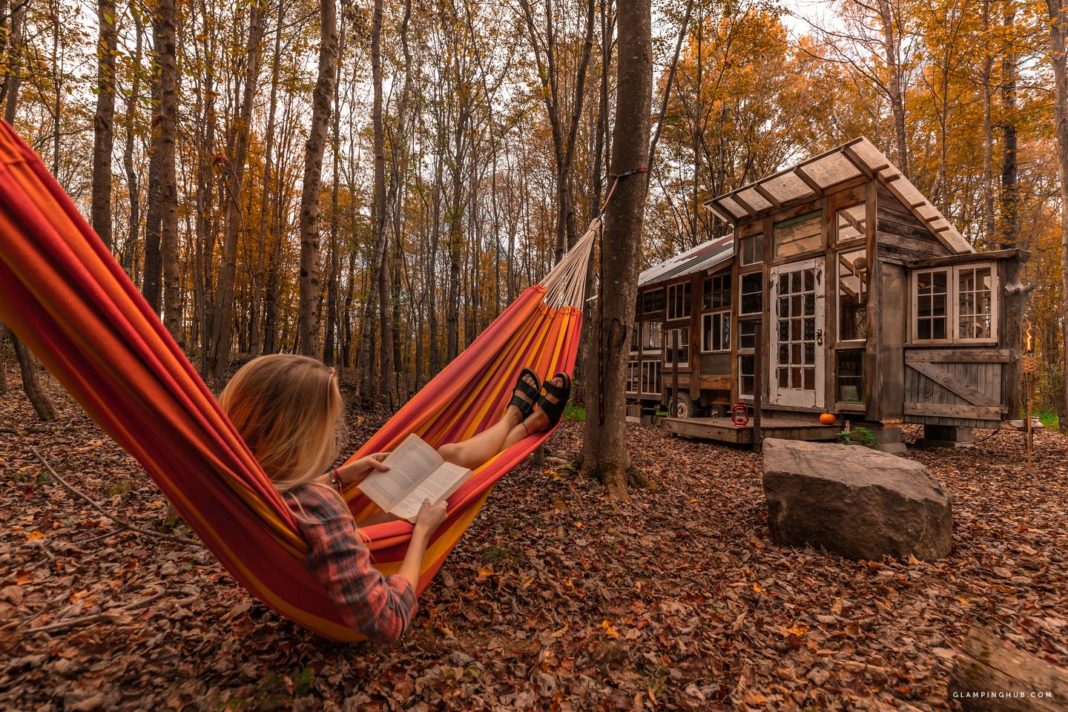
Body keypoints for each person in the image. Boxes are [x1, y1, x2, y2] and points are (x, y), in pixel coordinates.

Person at [218, 354, 571, 642]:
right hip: (348, 595)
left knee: (447, 455)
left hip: (321, 567)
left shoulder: (243, 476)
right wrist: (422, 534)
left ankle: (517, 418)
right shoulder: (319, 509)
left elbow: (289, 499)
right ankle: (522, 421)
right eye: (328, 423)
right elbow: (389, 620)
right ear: (296, 435)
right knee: (461, 479)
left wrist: (339, 477)